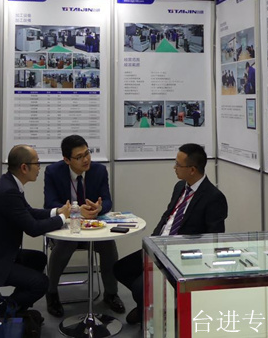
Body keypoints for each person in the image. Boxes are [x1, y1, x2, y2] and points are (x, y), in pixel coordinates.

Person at [113, 143, 228, 325]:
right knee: (120, 269)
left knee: (139, 287)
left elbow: (214, 238)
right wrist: (152, 241)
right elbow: (168, 217)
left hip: (179, 256)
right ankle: (149, 305)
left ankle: (151, 313)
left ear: (192, 169)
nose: (174, 168)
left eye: (178, 165)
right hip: (158, 247)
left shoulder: (214, 197)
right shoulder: (180, 186)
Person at [0, 145, 72, 324]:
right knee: (41, 283)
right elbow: (33, 228)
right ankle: (0, 311)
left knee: (39, 259)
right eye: (37, 163)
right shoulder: (8, 191)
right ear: (24, 167)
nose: (39, 167)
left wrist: (57, 212)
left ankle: (15, 309)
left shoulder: (10, 183)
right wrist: (63, 218)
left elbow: (28, 212)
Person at [43, 135, 125, 317]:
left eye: (87, 153)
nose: (86, 159)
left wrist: (99, 207)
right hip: (66, 229)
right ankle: (52, 293)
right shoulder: (53, 172)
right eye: (79, 157)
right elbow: (50, 204)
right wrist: (76, 211)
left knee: (108, 244)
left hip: (92, 228)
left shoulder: (99, 171)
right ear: (67, 160)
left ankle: (111, 294)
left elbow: (107, 200)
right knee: (66, 244)